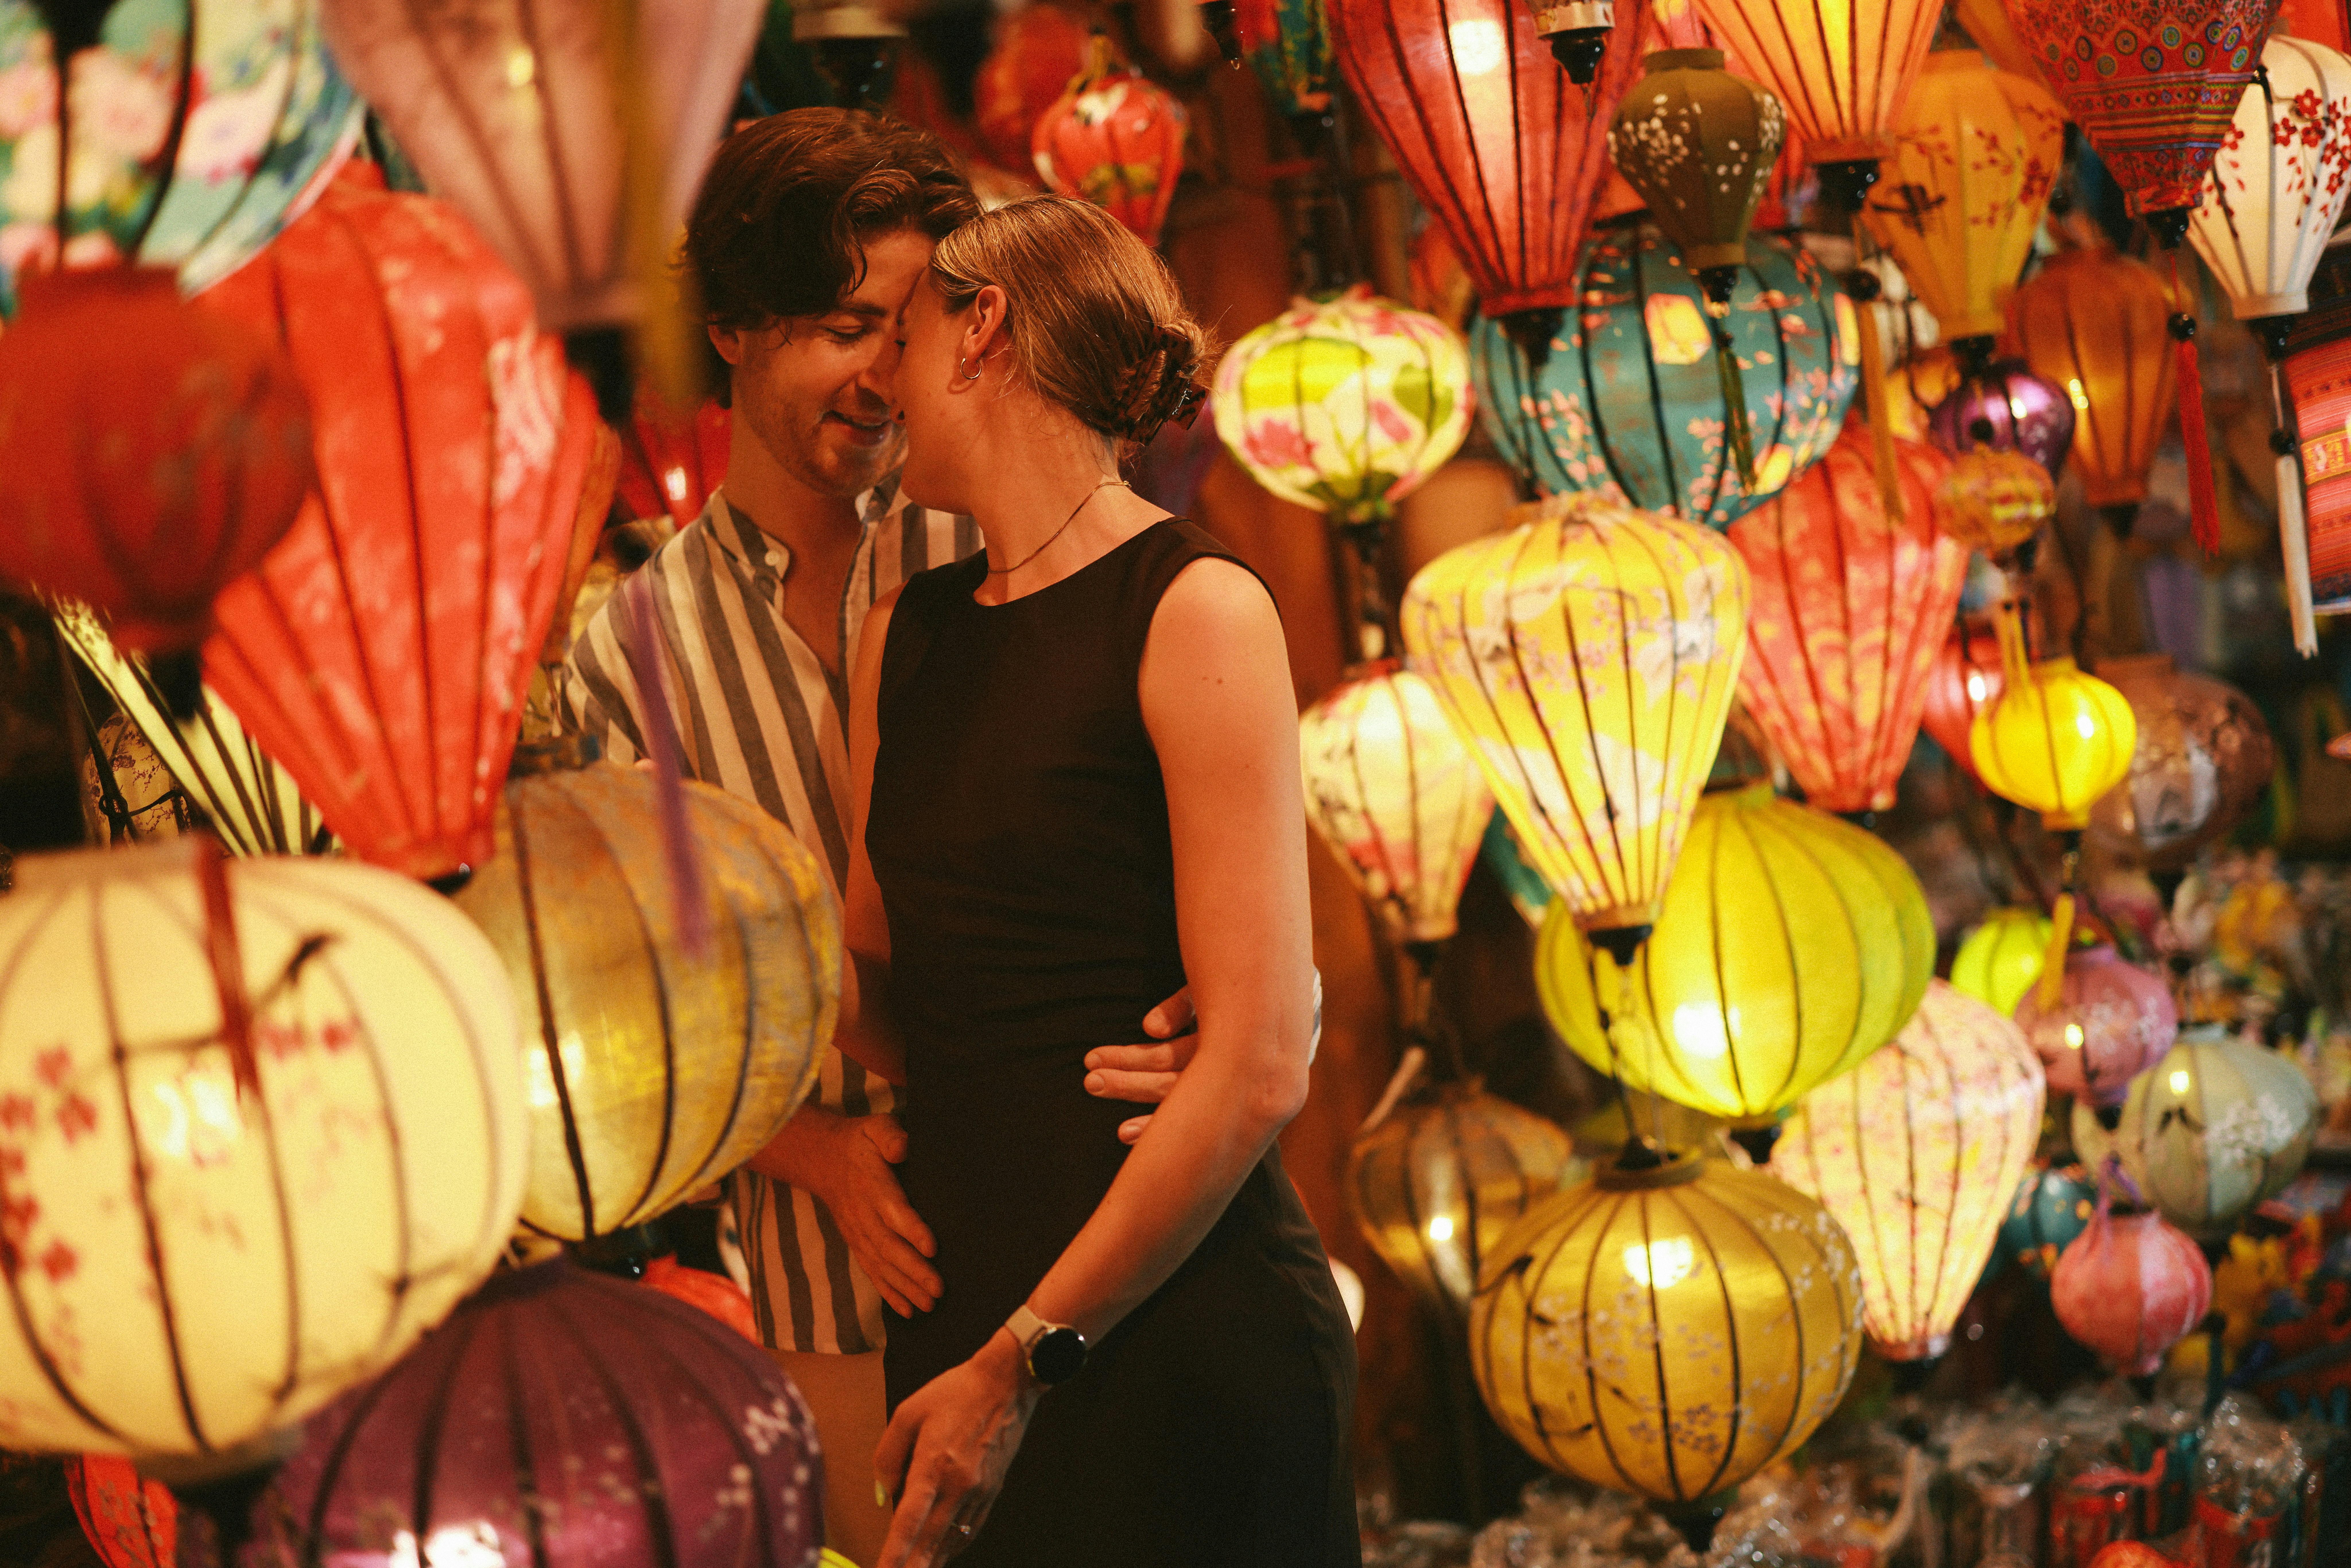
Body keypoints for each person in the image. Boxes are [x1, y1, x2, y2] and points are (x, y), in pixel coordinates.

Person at [558, 112, 1201, 1565]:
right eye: (844, 326)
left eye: (907, 327)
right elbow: (627, 1013)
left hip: (1108, 1219)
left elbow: (1178, 840)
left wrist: (1226, 1016)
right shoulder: (633, 657)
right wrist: (821, 1153)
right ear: (731, 329)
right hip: (828, 1288)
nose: (885, 373)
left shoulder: (1002, 534)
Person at [843, 195, 1359, 1568]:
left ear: (984, 331)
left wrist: (1022, 1359)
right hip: (962, 1300)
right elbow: (878, 989)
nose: (876, 378)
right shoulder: (903, 633)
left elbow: (1254, 1068)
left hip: (1166, 1322)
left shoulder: (1194, 606)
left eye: (899, 335)